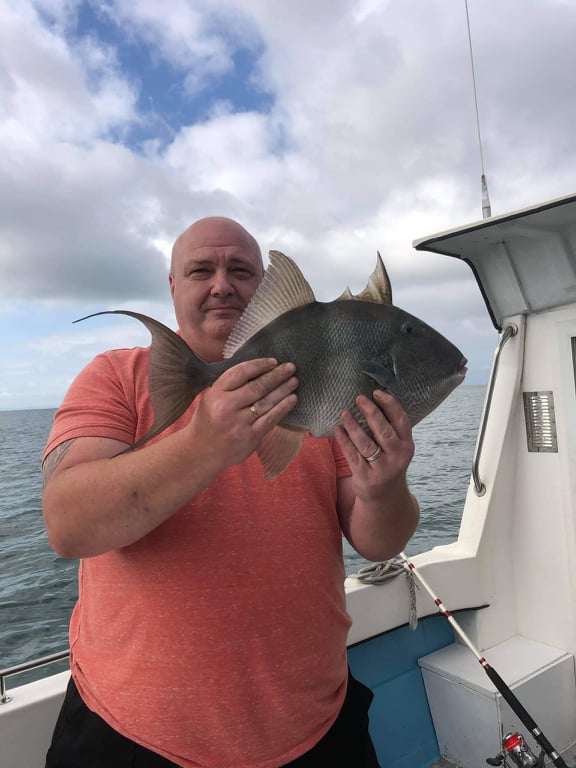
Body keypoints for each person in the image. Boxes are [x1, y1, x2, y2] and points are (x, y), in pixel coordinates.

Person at [42, 217, 419, 768]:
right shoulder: (117, 376)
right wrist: (203, 445)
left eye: (241, 270)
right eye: (201, 270)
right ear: (173, 286)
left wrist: (385, 490)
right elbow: (68, 523)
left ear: (265, 288)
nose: (222, 284)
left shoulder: (324, 386)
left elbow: (377, 542)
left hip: (314, 729)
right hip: (129, 739)